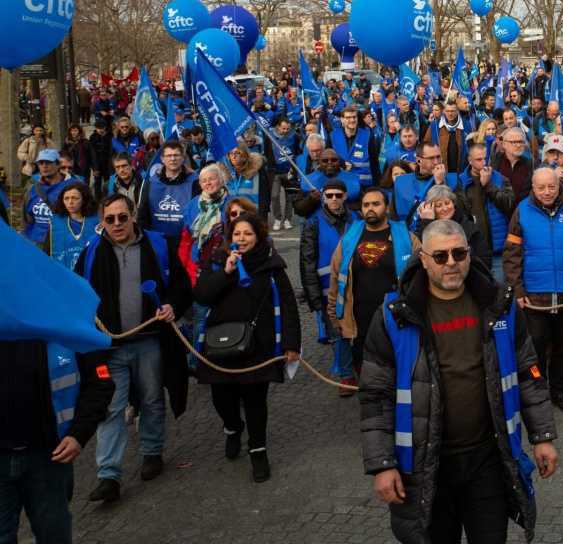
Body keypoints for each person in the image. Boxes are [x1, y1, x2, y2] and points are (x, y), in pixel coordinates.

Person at [360, 219, 558, 543]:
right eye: (440, 256)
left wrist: (542, 436)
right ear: (423, 259)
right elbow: (375, 396)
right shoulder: (396, 316)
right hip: (427, 466)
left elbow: (528, 373)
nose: (451, 262)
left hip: (488, 459)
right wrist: (382, 464)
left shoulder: (499, 305)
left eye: (459, 253)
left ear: (469, 253)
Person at [78, 193, 190, 504]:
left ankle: (152, 452)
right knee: (111, 408)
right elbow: (78, 292)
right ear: (102, 222)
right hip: (110, 346)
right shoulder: (91, 253)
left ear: (133, 217)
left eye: (122, 217)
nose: (117, 224)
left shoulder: (158, 245)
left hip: (150, 340)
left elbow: (181, 285)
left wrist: (172, 306)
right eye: (110, 219)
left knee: (152, 398)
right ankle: (108, 475)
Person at [195, 212, 302, 483]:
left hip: (258, 345)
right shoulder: (218, 260)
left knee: (255, 401)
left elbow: (288, 304)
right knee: (222, 398)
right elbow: (202, 296)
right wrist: (226, 273)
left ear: (258, 237)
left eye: (248, 234)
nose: (242, 239)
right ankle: (233, 427)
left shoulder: (271, 264)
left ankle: (258, 450)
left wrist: (291, 344)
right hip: (220, 345)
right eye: (237, 234)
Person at [504, 166, 563, 414]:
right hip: (535, 298)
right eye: (541, 188)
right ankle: (538, 392)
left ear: (559, 185)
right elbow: (512, 255)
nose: (546, 192)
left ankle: (559, 391)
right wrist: (517, 291)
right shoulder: (522, 211)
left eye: (551, 187)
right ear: (533, 188)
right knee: (535, 349)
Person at [0, 335, 114, 542]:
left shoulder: (64, 324)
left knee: (53, 536)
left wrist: (78, 434)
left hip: (49, 458)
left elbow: (99, 382)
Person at [329, 186, 413, 374]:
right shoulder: (349, 239)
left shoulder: (407, 238)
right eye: (366, 205)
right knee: (366, 375)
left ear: (387, 207)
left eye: (376, 204)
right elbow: (336, 277)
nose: (370, 209)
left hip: (397, 320)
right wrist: (334, 315)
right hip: (359, 323)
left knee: (399, 372)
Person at [300, 178, 359, 395]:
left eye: (338, 195)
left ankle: (360, 365)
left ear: (345, 197)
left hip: (356, 286)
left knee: (359, 328)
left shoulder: (357, 219)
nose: (334, 199)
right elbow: (307, 262)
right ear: (323, 197)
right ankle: (346, 375)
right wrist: (313, 296)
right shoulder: (313, 223)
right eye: (329, 195)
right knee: (337, 333)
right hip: (328, 290)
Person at [456, 142, 516, 280]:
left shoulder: (499, 178)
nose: (483, 163)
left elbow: (509, 204)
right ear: (470, 160)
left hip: (497, 249)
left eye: (485, 158)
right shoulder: (461, 182)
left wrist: (488, 185)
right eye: (479, 159)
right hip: (474, 249)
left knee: (499, 287)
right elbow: (460, 213)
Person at [411, 186, 487, 262]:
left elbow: (485, 258)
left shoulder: (468, 226)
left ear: (453, 204)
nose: (445, 208)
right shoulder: (423, 225)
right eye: (439, 205)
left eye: (447, 203)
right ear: (431, 208)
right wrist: (427, 222)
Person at [23, 149, 80, 245]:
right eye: (41, 163)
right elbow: (26, 217)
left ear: (58, 165)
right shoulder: (32, 188)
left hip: (64, 243)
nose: (44, 166)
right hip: (36, 242)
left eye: (48, 162)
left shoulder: (75, 186)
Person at [47, 181, 100, 269]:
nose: (70, 202)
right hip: (63, 273)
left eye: (75, 198)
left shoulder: (97, 223)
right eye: (66, 198)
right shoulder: (55, 224)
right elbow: (47, 252)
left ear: (84, 200)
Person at [331, 106, 381, 187]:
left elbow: (374, 162)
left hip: (364, 186)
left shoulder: (367, 135)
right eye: (348, 117)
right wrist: (341, 163)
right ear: (342, 119)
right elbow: (329, 158)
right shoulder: (333, 135)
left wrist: (377, 185)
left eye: (354, 117)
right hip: (340, 185)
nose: (352, 120)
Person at [266, 116, 299, 231]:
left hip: (289, 171)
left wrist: (295, 168)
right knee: (274, 196)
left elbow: (297, 151)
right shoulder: (269, 136)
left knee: (290, 197)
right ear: (277, 127)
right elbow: (266, 152)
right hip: (275, 172)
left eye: (288, 128)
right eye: (283, 128)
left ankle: (287, 219)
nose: (286, 131)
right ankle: (278, 218)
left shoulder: (294, 136)